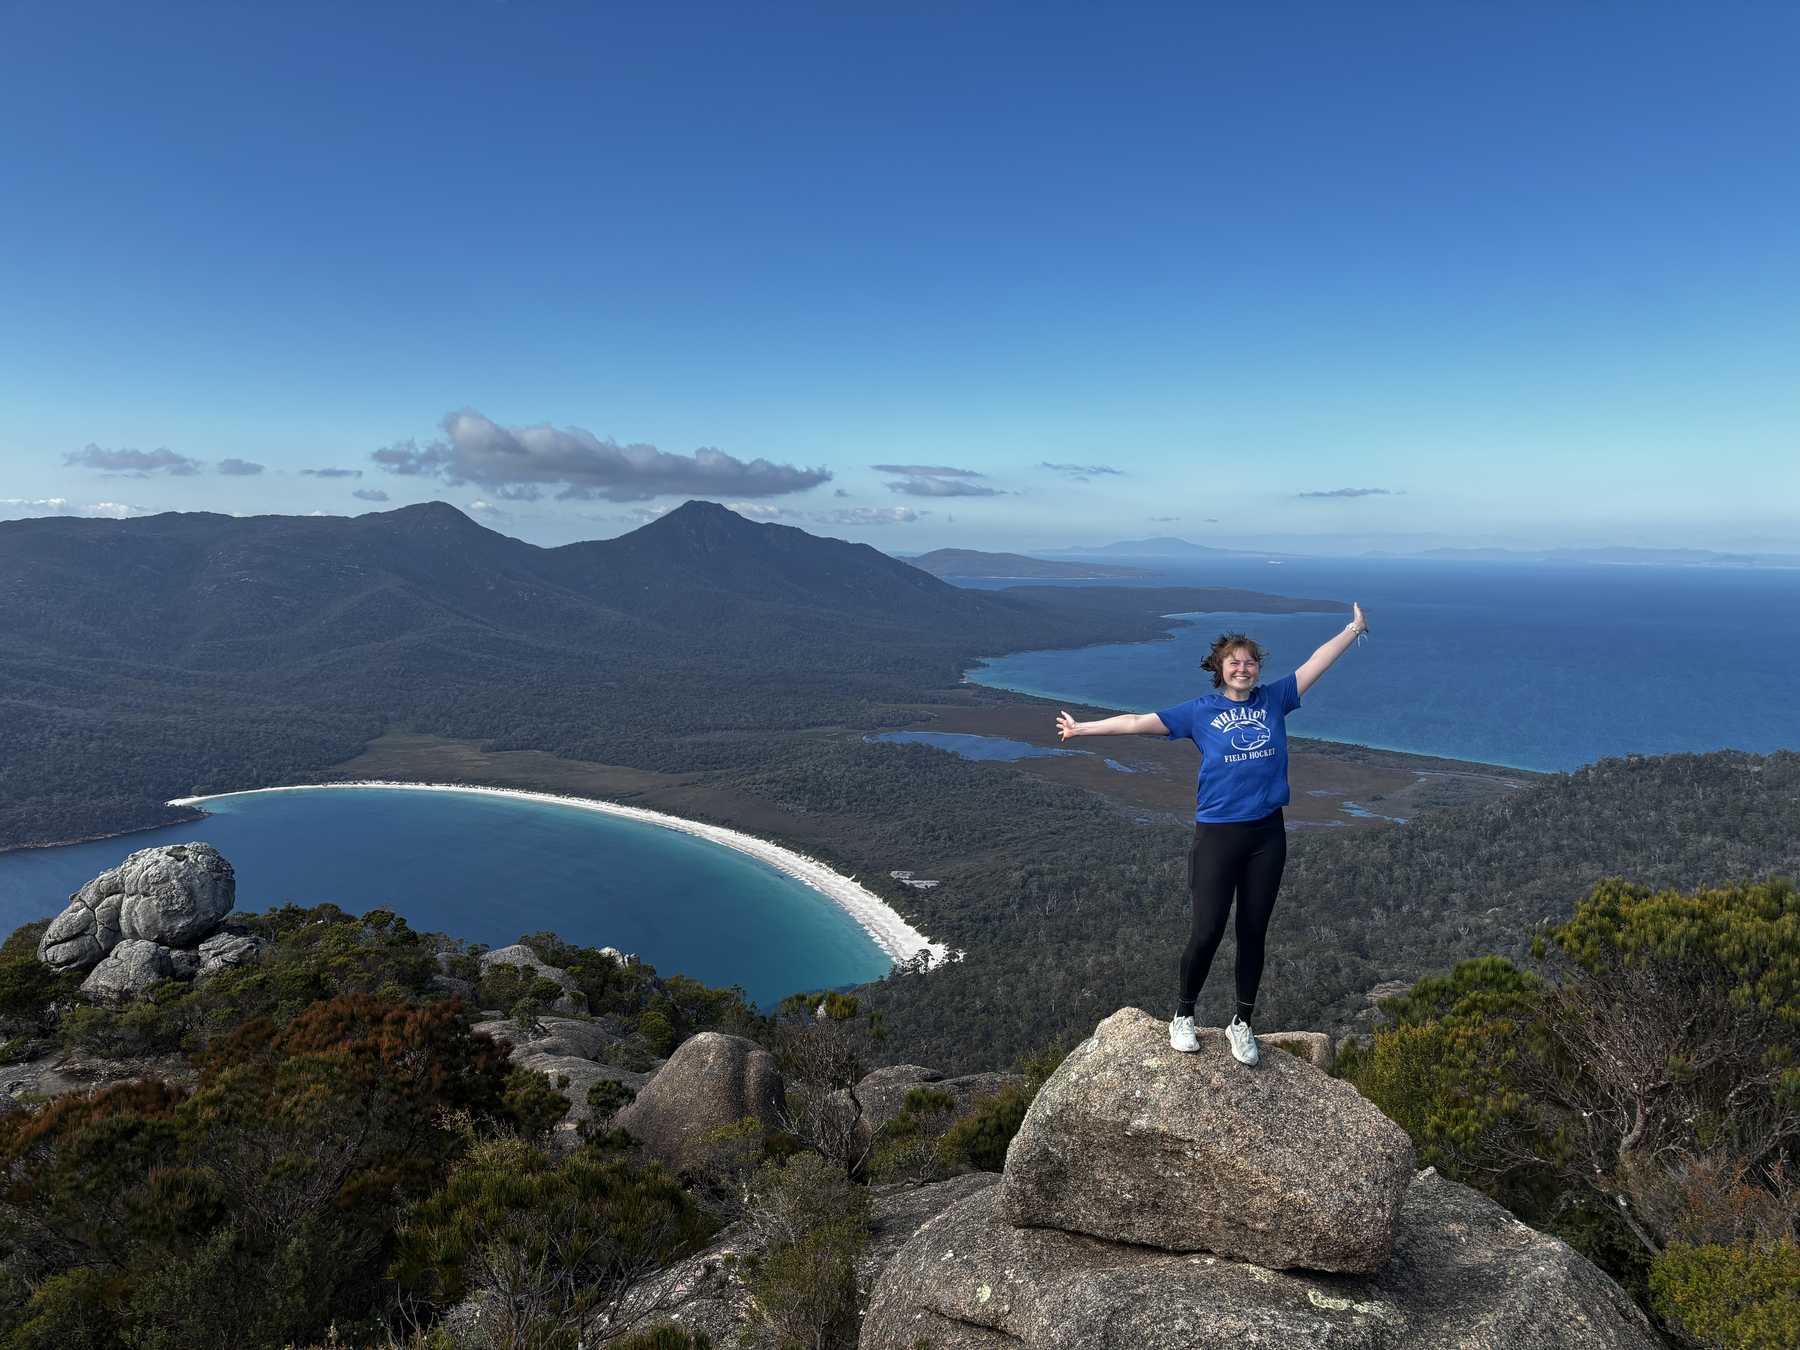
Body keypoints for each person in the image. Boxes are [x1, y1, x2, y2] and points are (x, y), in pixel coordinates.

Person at [1054, 604, 1369, 1065]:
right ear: (1220, 670)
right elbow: (1139, 723)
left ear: (1258, 669)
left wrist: (1354, 629)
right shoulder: (1199, 712)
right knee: (1207, 931)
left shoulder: (1275, 699)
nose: (1243, 668)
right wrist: (1083, 729)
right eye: (1234, 662)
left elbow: (1317, 662)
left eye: (1250, 661)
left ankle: (1242, 1023)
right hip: (1218, 835)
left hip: (1267, 834)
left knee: (1253, 932)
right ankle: (1183, 1015)